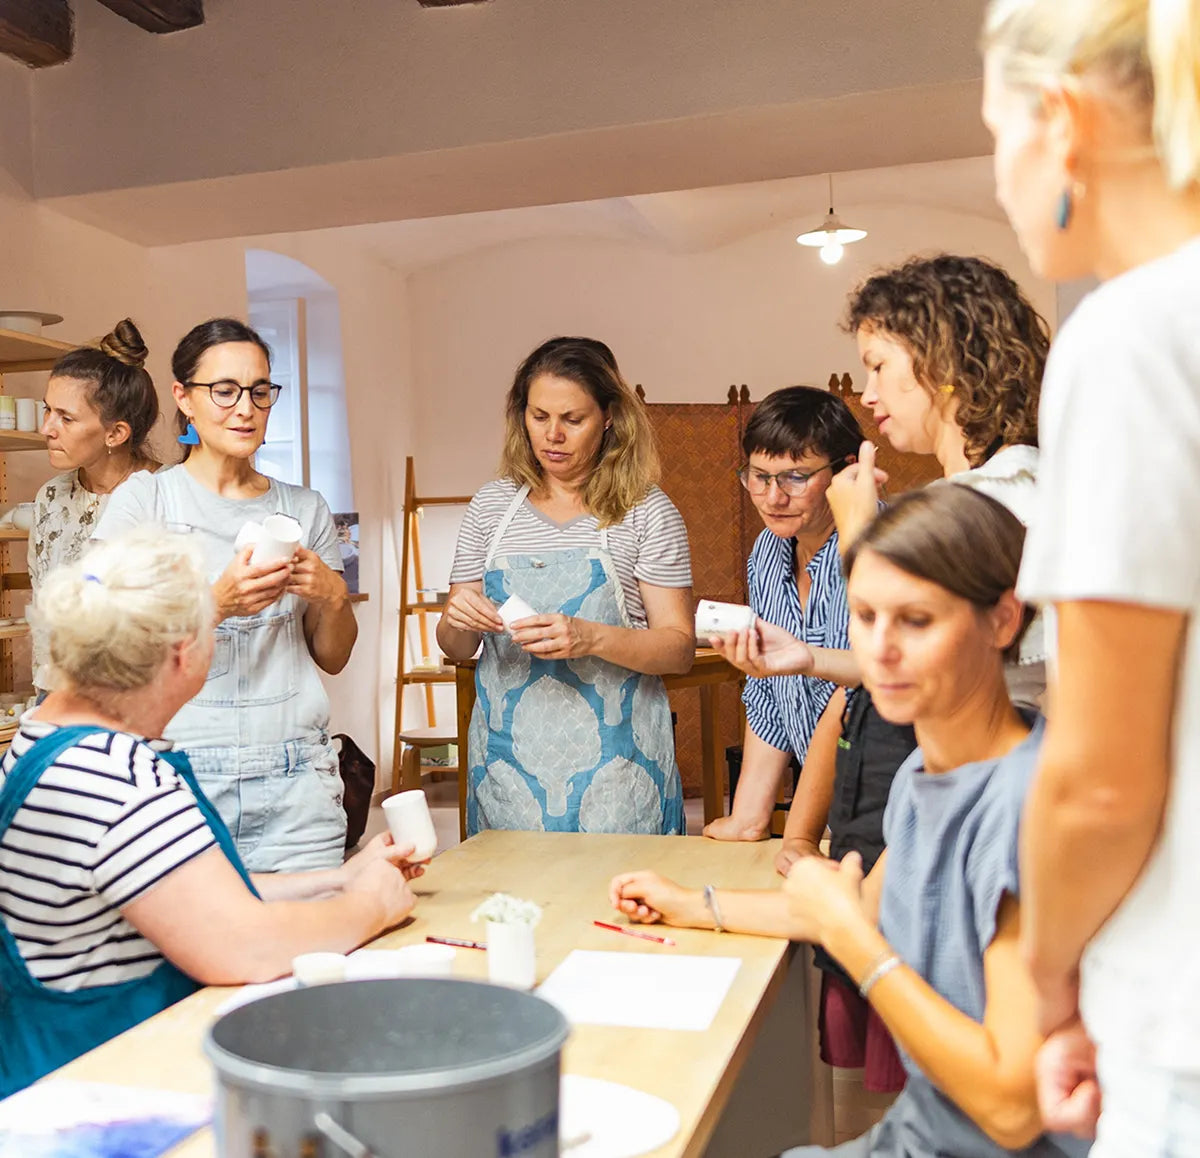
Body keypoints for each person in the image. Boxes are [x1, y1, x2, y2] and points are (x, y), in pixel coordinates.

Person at [611, 486, 1087, 1158]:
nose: (881, 650)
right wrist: (690, 903)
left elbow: (1012, 1112)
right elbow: (855, 905)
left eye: (917, 621)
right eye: (864, 617)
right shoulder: (928, 773)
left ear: (1003, 620)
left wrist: (856, 944)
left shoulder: (1024, 807)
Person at [981, 0, 1200, 1150]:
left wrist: (1049, 977)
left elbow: (1102, 781)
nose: (999, 176)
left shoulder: (1131, 338)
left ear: (1062, 123)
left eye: (993, 135)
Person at [0, 529, 417, 1098]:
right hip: (104, 1084)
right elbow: (241, 942)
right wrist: (369, 906)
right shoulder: (114, 773)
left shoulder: (47, 736)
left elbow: (179, 894)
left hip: (65, 1070)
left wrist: (337, 878)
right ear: (181, 654)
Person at [94, 318, 356, 872]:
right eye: (224, 391)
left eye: (260, 390)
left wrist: (333, 598)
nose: (245, 408)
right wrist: (217, 602)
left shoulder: (305, 509)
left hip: (296, 784)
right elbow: (106, 642)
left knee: (308, 952)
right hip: (179, 779)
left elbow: (332, 657)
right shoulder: (145, 502)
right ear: (184, 398)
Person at [436, 336, 693, 835]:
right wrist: (456, 620)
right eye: (538, 416)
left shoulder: (647, 511)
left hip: (619, 778)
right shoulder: (490, 508)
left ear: (610, 416)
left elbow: (678, 649)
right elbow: (458, 647)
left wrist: (589, 637)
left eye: (573, 420)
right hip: (506, 775)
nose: (552, 435)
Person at [702, 386, 864, 844]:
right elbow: (769, 693)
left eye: (795, 477)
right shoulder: (767, 552)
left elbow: (861, 695)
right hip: (828, 816)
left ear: (847, 470)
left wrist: (799, 833)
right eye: (758, 476)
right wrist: (749, 816)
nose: (772, 497)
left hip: (892, 800)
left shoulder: (879, 546)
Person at [30, 319, 159, 694]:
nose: (47, 429)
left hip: (139, 704)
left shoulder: (166, 495)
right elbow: (45, 619)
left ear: (116, 433)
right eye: (47, 410)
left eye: (65, 418)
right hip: (56, 698)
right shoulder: (50, 498)